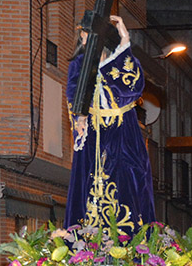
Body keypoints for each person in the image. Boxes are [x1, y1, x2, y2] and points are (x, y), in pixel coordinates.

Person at [64, 13, 155, 229]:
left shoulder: (119, 61)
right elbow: (73, 95)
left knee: (127, 178)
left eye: (86, 35)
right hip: (94, 131)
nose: (83, 40)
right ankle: (87, 240)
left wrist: (124, 41)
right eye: (82, 36)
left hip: (122, 129)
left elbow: (132, 87)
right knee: (89, 182)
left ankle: (128, 237)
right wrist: (80, 117)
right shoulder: (78, 64)